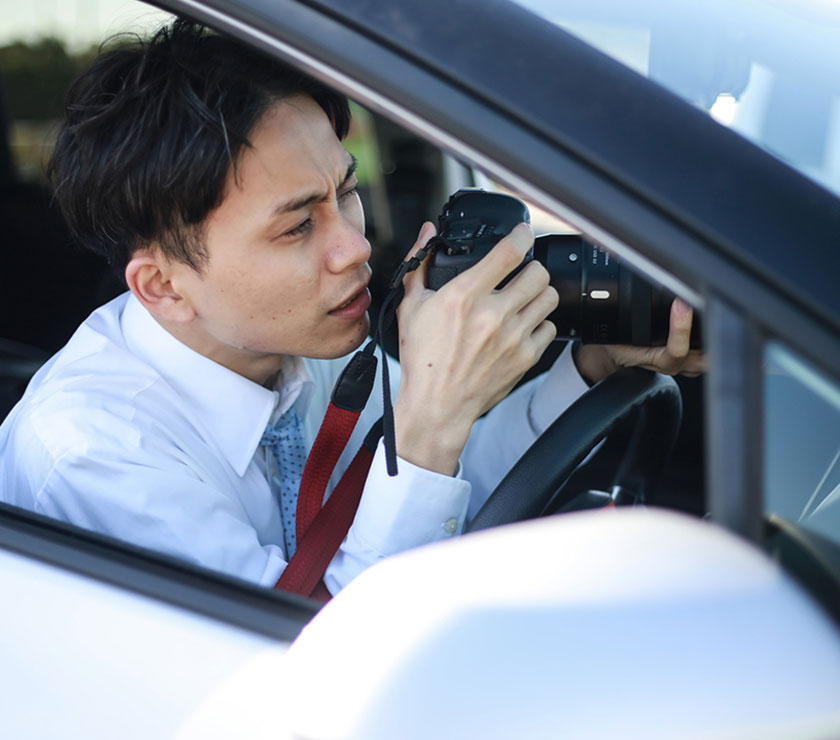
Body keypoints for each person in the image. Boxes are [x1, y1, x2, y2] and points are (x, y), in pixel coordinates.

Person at [0, 21, 702, 595]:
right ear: (163, 287)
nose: (355, 248)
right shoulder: (92, 452)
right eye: (298, 226)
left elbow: (444, 493)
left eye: (345, 192)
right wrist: (428, 421)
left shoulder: (309, 345)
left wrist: (590, 367)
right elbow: (296, 673)